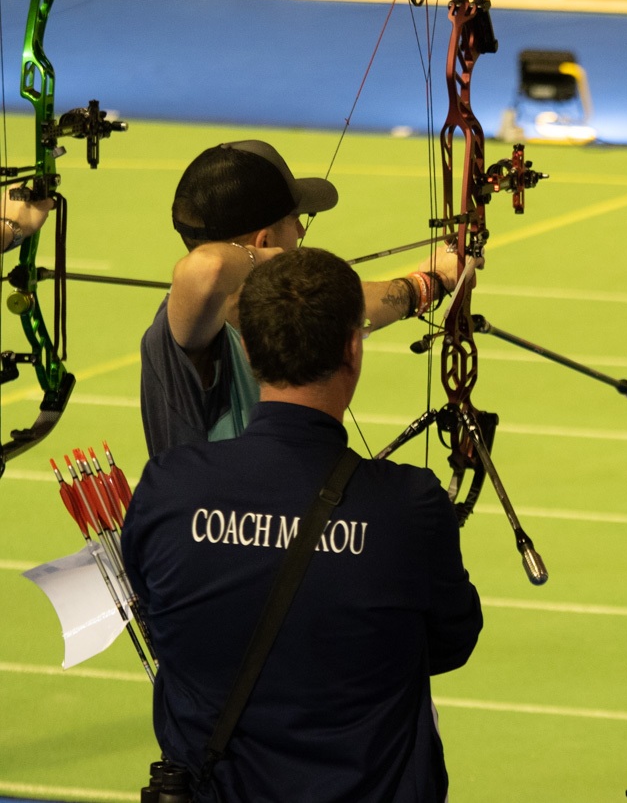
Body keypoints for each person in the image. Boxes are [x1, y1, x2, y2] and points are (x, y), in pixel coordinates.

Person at [121, 247, 483, 802]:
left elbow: (159, 611)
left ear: (247, 348)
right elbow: (452, 641)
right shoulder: (409, 505)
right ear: (352, 348)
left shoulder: (169, 487)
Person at [141, 139, 462, 456]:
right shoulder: (183, 335)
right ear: (264, 242)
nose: (301, 230)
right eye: (293, 219)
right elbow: (207, 269)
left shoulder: (272, 312)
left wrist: (432, 282)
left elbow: (343, 302)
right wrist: (268, 260)